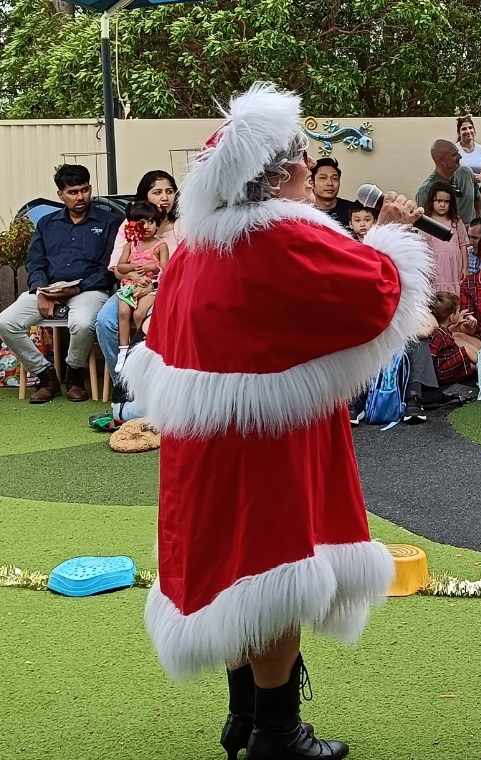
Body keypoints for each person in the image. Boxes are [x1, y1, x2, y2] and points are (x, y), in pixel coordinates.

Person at [121, 83, 431, 759]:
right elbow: (376, 289)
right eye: (303, 157)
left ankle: (245, 718)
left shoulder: (196, 251)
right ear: (283, 172)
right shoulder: (279, 239)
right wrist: (391, 236)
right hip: (267, 446)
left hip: (206, 447)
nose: (309, 166)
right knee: (273, 575)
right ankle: (277, 734)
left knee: (233, 575)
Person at [0, 164, 120, 403]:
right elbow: (36, 261)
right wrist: (41, 290)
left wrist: (76, 288)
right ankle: (46, 376)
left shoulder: (110, 221)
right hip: (49, 288)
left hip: (89, 289)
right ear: (60, 195)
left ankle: (74, 374)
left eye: (84, 190)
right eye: (73, 192)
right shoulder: (47, 223)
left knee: (84, 322)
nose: (80, 197)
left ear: (90, 189)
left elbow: (109, 267)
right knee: (6, 322)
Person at [96, 170, 183, 389]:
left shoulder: (183, 224)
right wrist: (132, 274)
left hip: (169, 290)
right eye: (158, 192)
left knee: (149, 318)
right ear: (145, 197)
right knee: (105, 322)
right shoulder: (131, 225)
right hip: (131, 287)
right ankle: (124, 387)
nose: (165, 197)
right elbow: (117, 268)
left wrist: (154, 285)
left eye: (170, 191)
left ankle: (157, 386)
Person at [113, 202, 171, 376]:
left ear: (157, 224)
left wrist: (151, 268)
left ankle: (142, 350)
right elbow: (120, 267)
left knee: (139, 314)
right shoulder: (130, 244)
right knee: (123, 312)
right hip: (130, 286)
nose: (146, 226)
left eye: (151, 222)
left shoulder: (161, 246)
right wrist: (131, 270)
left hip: (150, 287)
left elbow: (166, 271)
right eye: (141, 222)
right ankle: (124, 351)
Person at [417, 139, 481, 226]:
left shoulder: (466, 173)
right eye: (454, 155)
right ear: (441, 160)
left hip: (473, 232)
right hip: (448, 237)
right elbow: (425, 224)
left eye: (458, 152)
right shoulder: (425, 190)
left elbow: (477, 199)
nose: (460, 157)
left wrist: (480, 224)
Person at [422, 179, 469, 294]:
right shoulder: (426, 221)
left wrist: (465, 268)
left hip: (454, 267)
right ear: (431, 201)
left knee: (454, 296)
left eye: (446, 202)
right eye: (438, 201)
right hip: (435, 267)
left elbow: (463, 245)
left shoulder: (456, 221)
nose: (442, 205)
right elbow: (422, 248)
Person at [426, 291, 476, 387]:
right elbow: (430, 355)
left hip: (447, 367)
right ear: (452, 316)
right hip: (441, 372)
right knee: (466, 350)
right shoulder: (438, 334)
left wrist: (456, 325)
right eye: (458, 311)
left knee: (472, 366)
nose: (460, 313)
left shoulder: (443, 330)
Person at [310, 157, 357, 229]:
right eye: (323, 178)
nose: (330, 183)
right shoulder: (303, 212)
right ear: (312, 183)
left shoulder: (353, 211)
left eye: (334, 178)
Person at [455, 114, 481, 199]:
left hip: (477, 193)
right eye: (464, 129)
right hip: (460, 195)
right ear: (459, 133)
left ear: (474, 130)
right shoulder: (454, 149)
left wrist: (479, 178)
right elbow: (448, 174)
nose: (468, 131)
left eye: (470, 128)